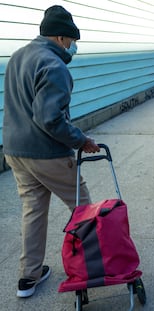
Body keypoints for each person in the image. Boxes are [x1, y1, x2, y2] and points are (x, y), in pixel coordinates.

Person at [2, 5, 100, 298]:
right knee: (84, 208)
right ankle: (92, 266)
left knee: (33, 211)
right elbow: (50, 119)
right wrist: (80, 140)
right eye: (71, 40)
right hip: (47, 153)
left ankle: (28, 277)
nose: (73, 46)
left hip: (16, 151)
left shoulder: (18, 56)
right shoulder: (54, 66)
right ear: (60, 37)